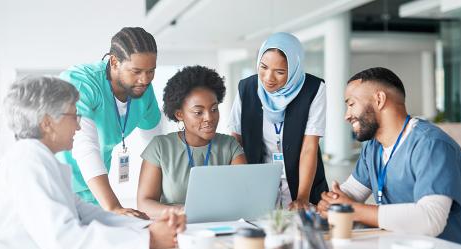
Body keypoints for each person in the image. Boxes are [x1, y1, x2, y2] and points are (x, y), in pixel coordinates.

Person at [0, 77, 186, 249]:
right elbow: (64, 238)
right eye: (73, 116)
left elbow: (86, 213)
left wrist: (151, 226)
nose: (79, 125)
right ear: (47, 123)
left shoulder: (39, 160)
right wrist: (150, 240)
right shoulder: (28, 162)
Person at [316, 67, 461, 244]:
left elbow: (431, 219)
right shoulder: (372, 147)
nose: (346, 116)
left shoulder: (431, 144)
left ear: (379, 100)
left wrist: (353, 209)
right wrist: (332, 202)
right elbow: (352, 192)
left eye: (351, 104)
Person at [57, 27, 161, 217]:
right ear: (114, 62)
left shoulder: (144, 90)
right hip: (58, 184)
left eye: (151, 71)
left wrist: (158, 198)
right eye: (136, 71)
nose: (145, 80)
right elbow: (84, 147)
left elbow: (155, 147)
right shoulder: (83, 82)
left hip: (94, 190)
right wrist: (113, 207)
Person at [228, 32, 328, 210]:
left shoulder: (313, 89)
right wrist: (242, 184)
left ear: (294, 68)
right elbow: (235, 140)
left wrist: (303, 197)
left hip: (303, 180)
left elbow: (309, 148)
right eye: (264, 67)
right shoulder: (247, 88)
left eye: (280, 72)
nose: (268, 78)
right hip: (259, 179)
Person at [137, 66, 246, 219]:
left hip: (221, 227)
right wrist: (184, 211)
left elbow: (245, 196)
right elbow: (144, 204)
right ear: (179, 114)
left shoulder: (230, 146)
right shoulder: (160, 147)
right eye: (198, 112)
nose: (209, 117)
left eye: (214, 109)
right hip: (176, 229)